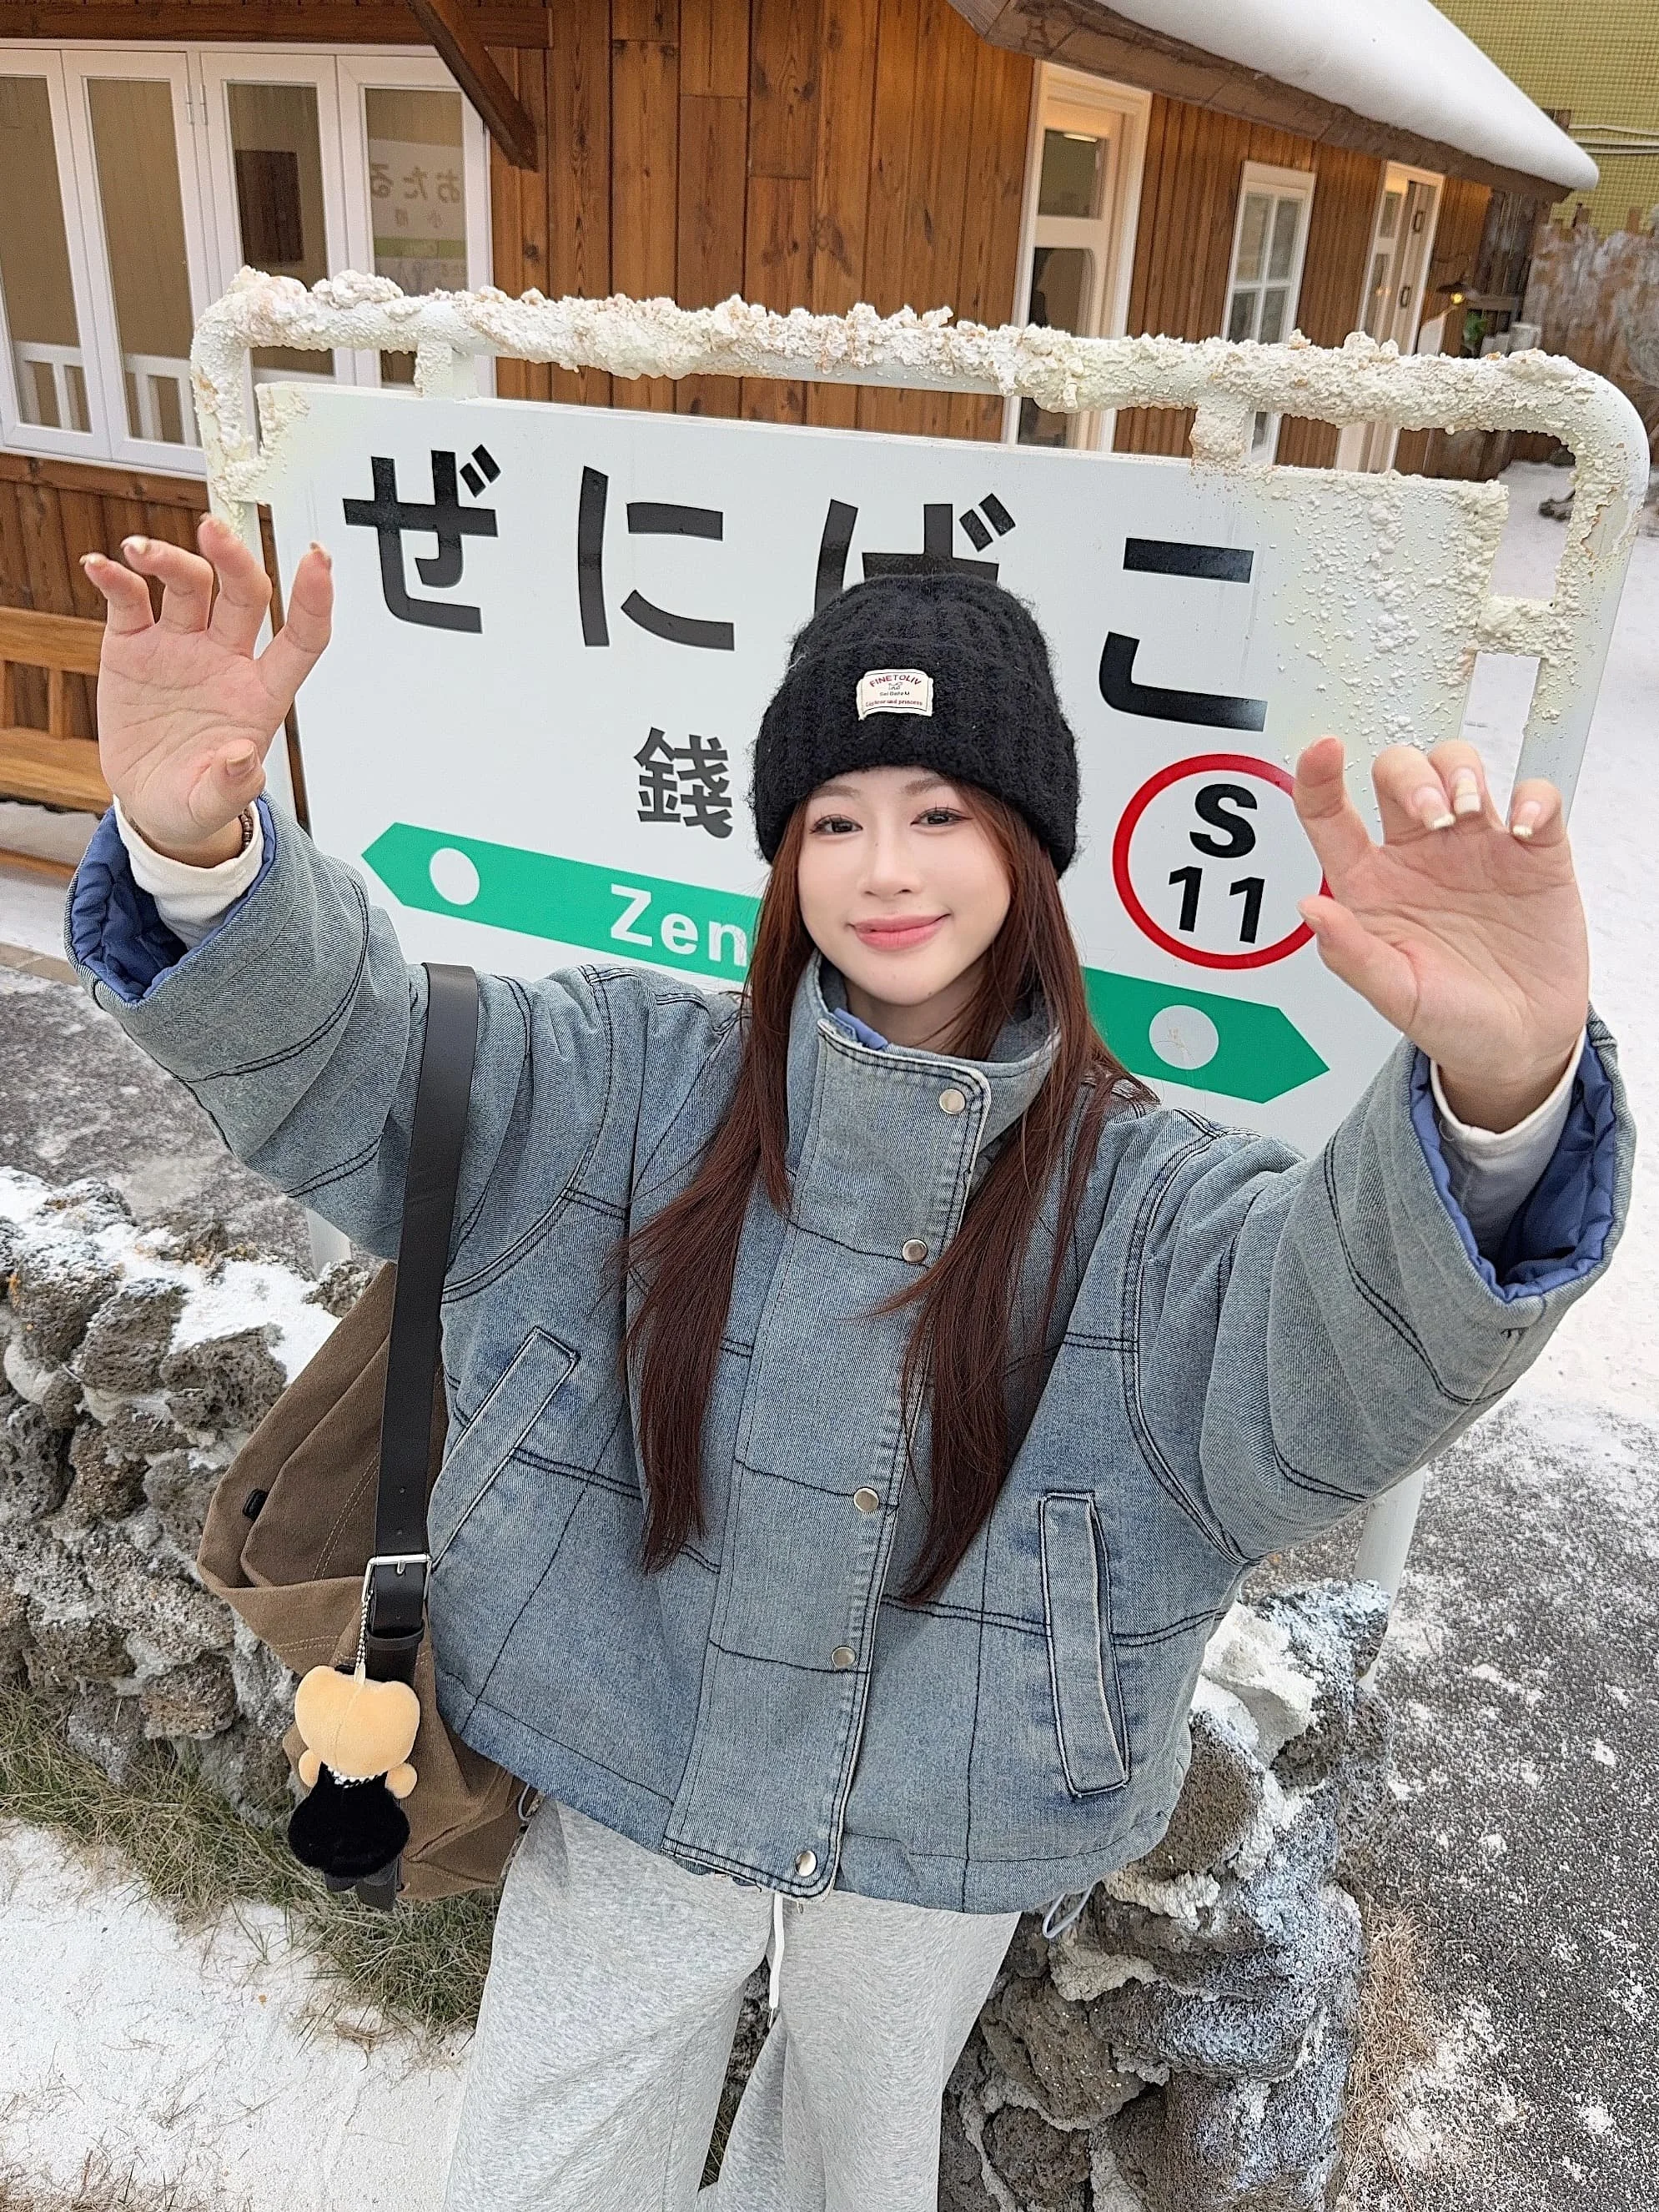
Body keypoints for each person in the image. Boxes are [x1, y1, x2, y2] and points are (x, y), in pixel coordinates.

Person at [67, 515, 1628, 2212]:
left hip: (953, 1813)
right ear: (783, 853)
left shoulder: (1152, 1199)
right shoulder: (622, 1076)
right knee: (543, 2159)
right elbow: (372, 1063)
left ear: (1027, 846)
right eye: (836, 819)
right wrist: (196, 853)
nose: (887, 869)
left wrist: (1501, 1095)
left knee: (851, 2163)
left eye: (940, 813)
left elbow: (1334, 1362)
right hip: (620, 1749)